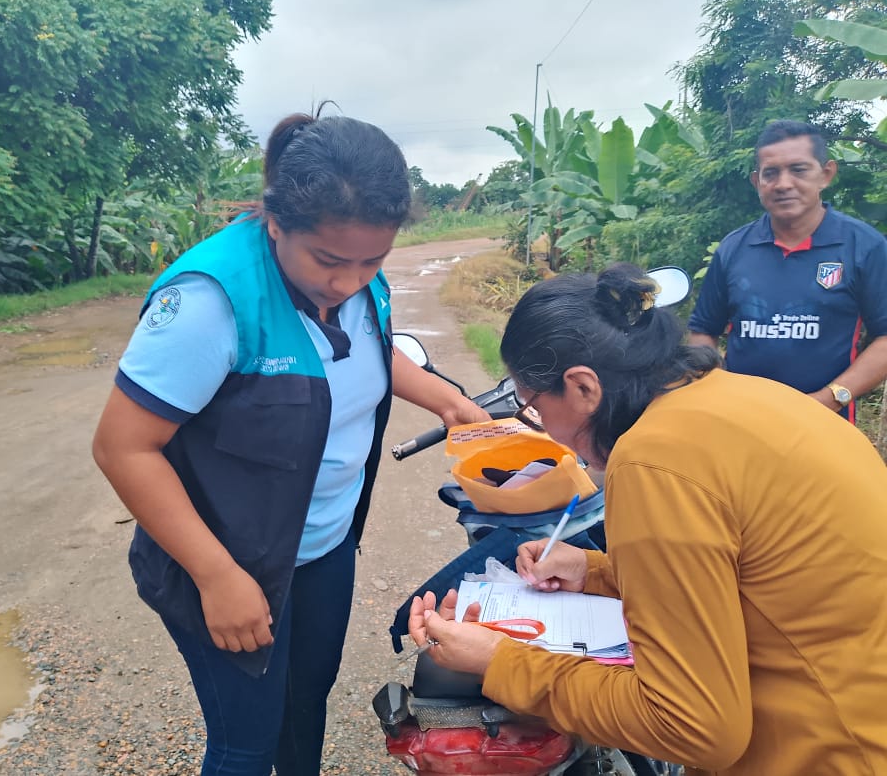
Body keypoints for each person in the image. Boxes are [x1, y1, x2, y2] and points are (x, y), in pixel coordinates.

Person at [92, 111, 489, 776]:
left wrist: (449, 401)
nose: (349, 281)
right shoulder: (211, 302)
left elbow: (371, 349)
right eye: (329, 261)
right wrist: (217, 577)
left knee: (306, 705)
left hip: (324, 548)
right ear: (276, 223)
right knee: (245, 744)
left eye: (372, 261)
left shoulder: (360, 278)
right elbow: (123, 448)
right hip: (229, 559)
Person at [408, 263, 887, 776]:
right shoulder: (756, 398)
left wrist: (499, 661)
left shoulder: (655, 460)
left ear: (583, 388)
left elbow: (694, 727)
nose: (544, 429)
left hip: (827, 753)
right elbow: (759, 577)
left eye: (535, 408)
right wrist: (595, 572)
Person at [688, 119, 887, 423]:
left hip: (824, 423)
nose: (783, 184)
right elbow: (703, 331)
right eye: (771, 173)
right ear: (757, 182)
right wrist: (715, 390)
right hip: (741, 422)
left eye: (798, 169)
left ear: (826, 174)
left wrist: (829, 399)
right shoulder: (734, 248)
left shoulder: (864, 246)